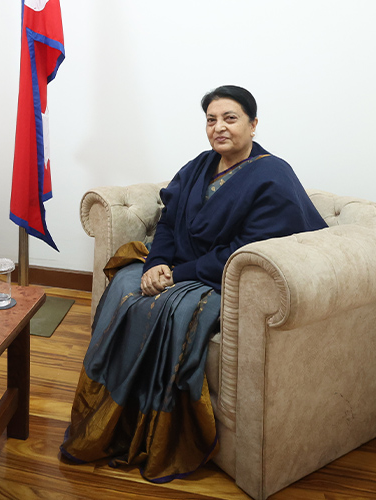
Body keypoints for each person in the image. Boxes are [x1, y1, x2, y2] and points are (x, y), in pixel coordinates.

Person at [60, 85, 328, 481]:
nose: (219, 127)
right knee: (126, 285)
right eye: (211, 120)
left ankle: (153, 430)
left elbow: (246, 250)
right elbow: (168, 222)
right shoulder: (201, 165)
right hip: (179, 266)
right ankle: (111, 420)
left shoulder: (272, 174)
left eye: (230, 118)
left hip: (227, 280)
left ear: (253, 124)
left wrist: (175, 275)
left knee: (172, 308)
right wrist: (157, 263)